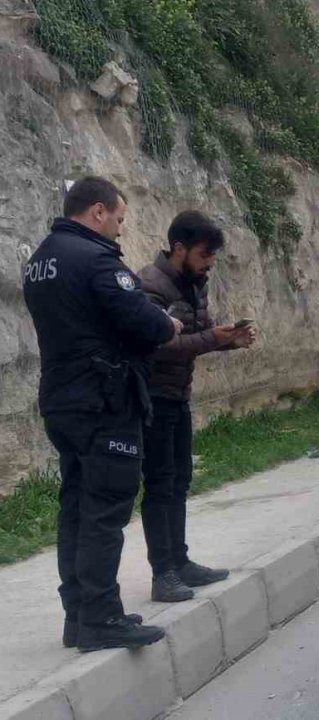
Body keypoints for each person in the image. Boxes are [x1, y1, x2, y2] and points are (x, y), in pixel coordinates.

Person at [22, 176, 181, 651]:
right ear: (97, 211)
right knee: (104, 510)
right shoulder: (95, 259)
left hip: (62, 401)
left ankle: (78, 615)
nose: (120, 228)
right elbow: (144, 322)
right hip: (103, 402)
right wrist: (168, 324)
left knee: (76, 507)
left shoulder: (40, 260)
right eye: (118, 218)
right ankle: (101, 618)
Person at [139, 211, 256, 602]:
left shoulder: (195, 284)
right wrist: (213, 338)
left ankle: (180, 561)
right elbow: (158, 345)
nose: (210, 263)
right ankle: (163, 574)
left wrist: (229, 341)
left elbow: (196, 338)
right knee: (160, 484)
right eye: (204, 254)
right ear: (179, 248)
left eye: (213, 256)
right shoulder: (150, 285)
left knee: (180, 480)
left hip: (178, 396)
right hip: (152, 398)